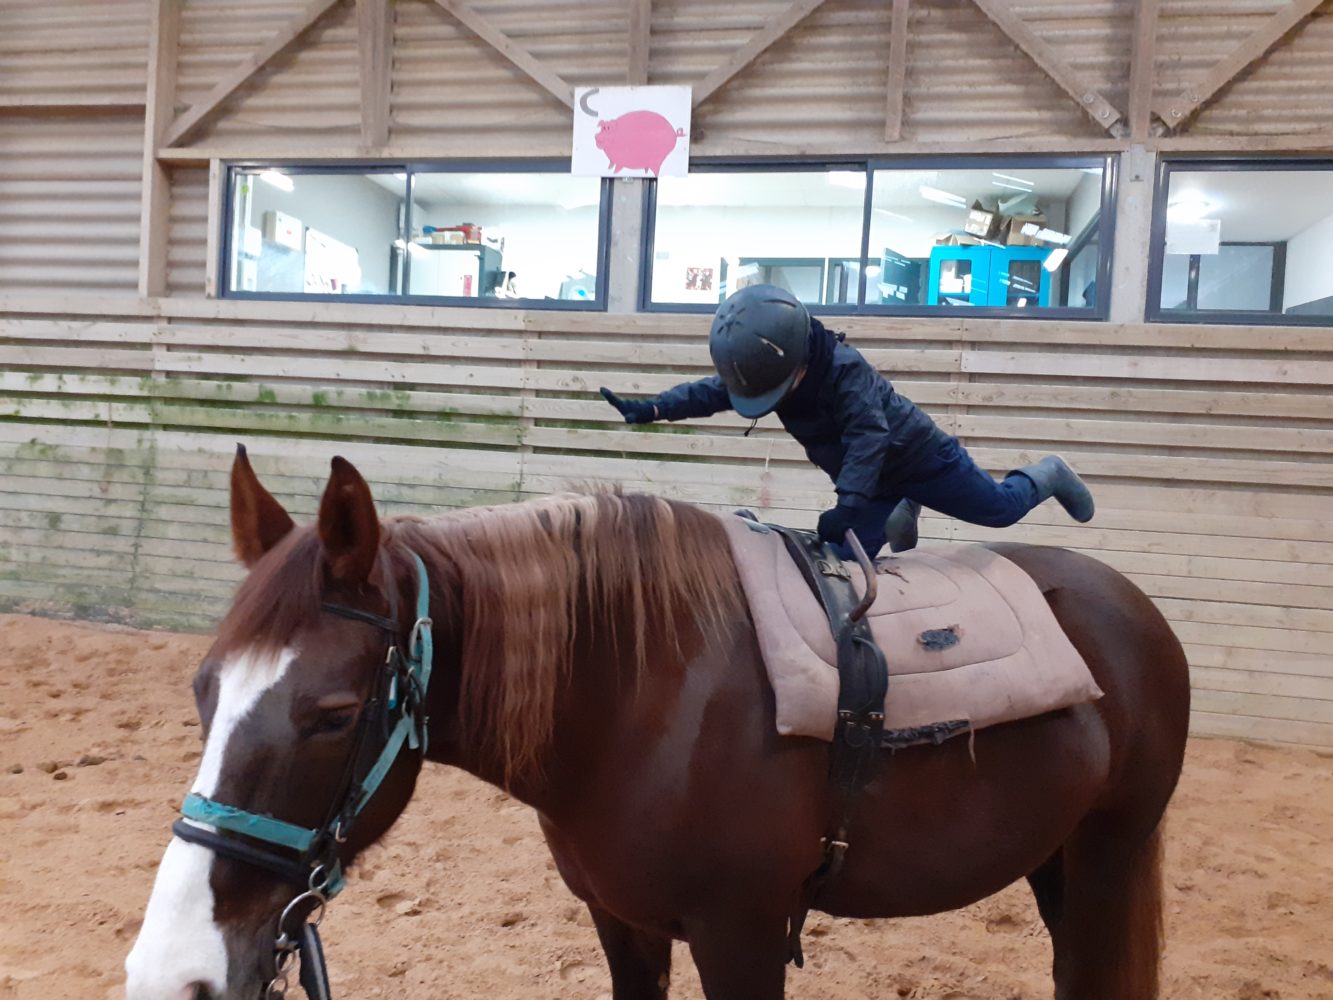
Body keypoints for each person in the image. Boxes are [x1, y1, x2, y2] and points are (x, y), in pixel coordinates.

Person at [599, 284, 1094, 560]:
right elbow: (713, 392)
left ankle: (1047, 473)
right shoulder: (775, 366)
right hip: (869, 481)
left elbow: (869, 435)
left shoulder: (844, 369)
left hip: (920, 458)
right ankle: (899, 507)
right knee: (843, 561)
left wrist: (848, 503)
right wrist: (655, 408)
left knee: (999, 510)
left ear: (800, 360)